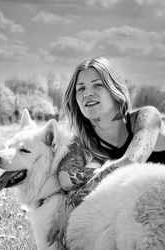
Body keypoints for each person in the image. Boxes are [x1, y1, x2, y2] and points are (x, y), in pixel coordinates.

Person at [47, 56, 165, 247]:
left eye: (97, 85)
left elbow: (131, 162)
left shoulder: (146, 117)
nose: (88, 94)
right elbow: (66, 180)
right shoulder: (81, 146)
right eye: (81, 89)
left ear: (114, 89)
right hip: (138, 224)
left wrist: (70, 206)